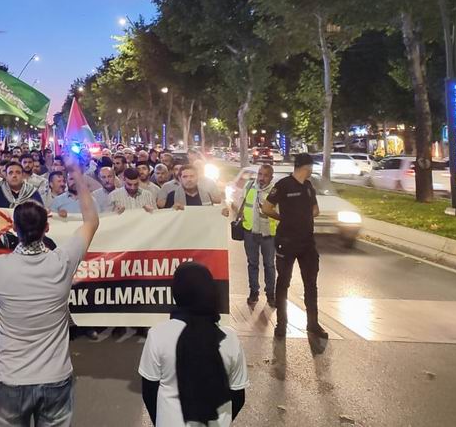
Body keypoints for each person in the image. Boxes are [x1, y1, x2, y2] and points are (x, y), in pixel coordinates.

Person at [0, 155, 99, 427]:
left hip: (11, 378)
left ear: (13, 229)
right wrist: (77, 174)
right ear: (47, 229)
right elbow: (91, 221)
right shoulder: (62, 262)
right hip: (55, 379)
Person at [138, 262, 247, 427]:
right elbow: (238, 396)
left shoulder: (158, 335)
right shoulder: (229, 338)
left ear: (176, 293)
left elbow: (149, 392)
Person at [262, 154, 327, 339]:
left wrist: (301, 217)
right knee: (283, 283)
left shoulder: (308, 186)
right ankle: (281, 325)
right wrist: (284, 219)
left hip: (307, 243)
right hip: (286, 242)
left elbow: (316, 210)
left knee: (311, 284)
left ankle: (313, 324)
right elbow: (266, 208)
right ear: (307, 167)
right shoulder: (283, 185)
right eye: (312, 167)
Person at [238, 164, 278, 307]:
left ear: (271, 177)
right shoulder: (249, 186)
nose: (262, 178)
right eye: (260, 174)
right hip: (250, 231)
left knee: (269, 265)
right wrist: (240, 214)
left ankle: (271, 294)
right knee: (252, 264)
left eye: (265, 175)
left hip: (268, 234)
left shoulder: (275, 191)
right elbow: (241, 204)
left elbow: (279, 213)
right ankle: (254, 292)